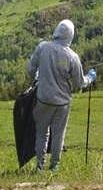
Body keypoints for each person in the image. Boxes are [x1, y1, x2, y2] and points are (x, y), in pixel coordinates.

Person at [27, 19, 95, 172]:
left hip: (43, 98)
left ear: (56, 31)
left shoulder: (43, 48)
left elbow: (31, 68)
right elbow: (79, 83)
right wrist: (90, 78)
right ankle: (54, 166)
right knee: (58, 134)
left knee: (42, 132)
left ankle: (39, 165)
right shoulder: (72, 57)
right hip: (62, 103)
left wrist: (36, 77)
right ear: (70, 36)